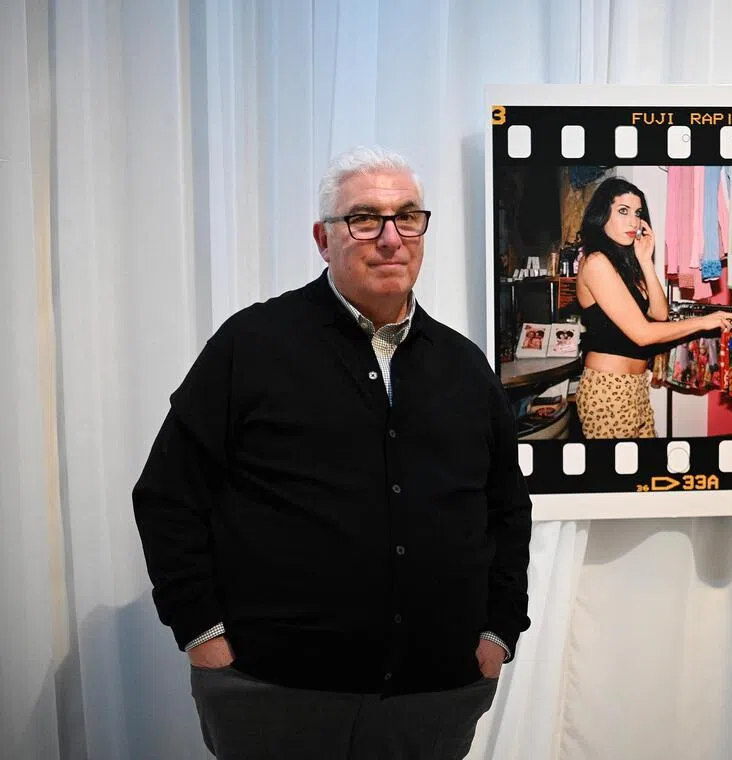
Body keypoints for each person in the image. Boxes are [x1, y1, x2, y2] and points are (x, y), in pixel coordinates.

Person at [133, 147, 532, 759]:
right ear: (324, 239)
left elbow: (506, 510)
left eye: (408, 217)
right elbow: (167, 496)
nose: (390, 237)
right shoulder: (254, 343)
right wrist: (203, 634)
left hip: (433, 695)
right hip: (272, 690)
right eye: (365, 218)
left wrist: (499, 632)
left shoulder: (464, 365)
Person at [574, 177, 732, 438]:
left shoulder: (623, 263)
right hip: (609, 387)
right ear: (602, 214)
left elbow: (659, 314)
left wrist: (645, 260)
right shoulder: (595, 262)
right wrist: (704, 321)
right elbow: (643, 333)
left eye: (638, 214)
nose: (633, 222)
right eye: (623, 211)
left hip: (636, 386)